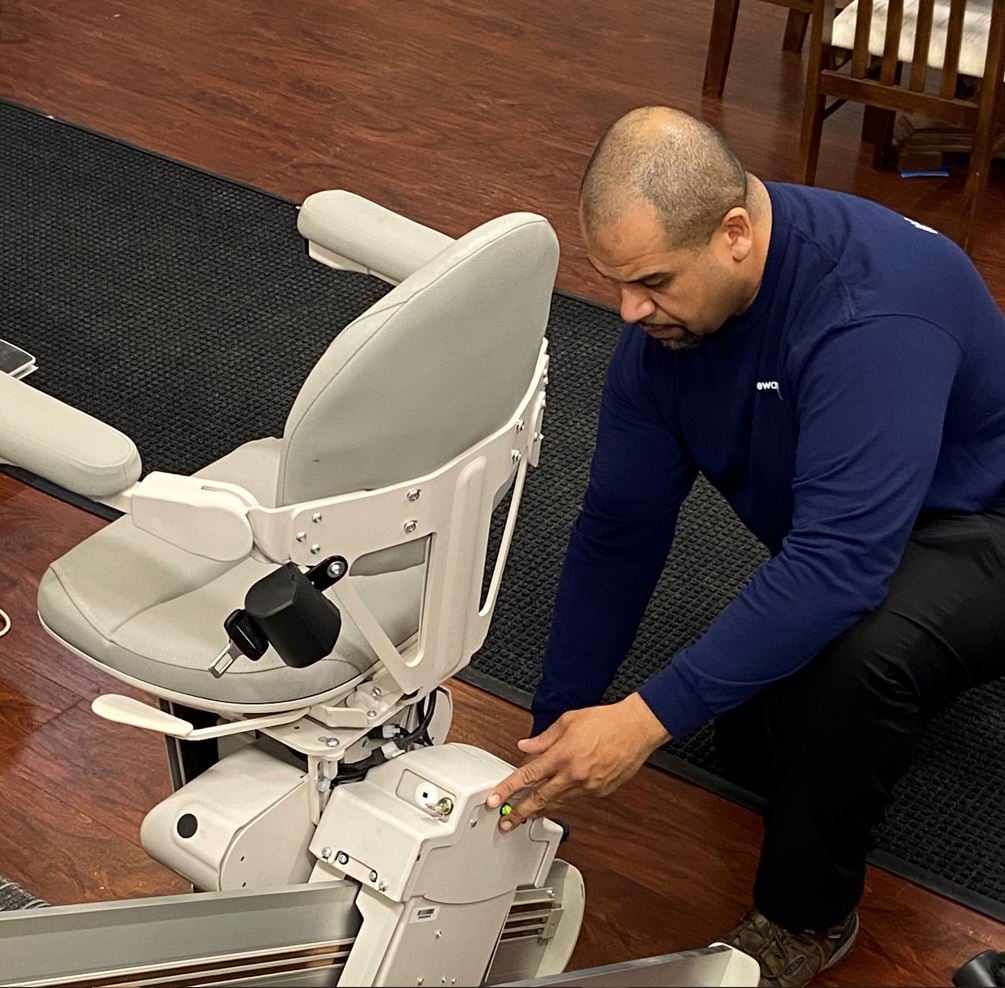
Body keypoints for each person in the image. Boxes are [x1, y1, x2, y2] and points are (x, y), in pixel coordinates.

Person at [486, 105, 1005, 987]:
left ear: (734, 233)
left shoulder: (869, 314)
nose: (626, 310)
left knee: (854, 666)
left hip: (977, 525)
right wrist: (547, 755)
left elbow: (839, 565)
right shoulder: (663, 334)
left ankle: (806, 919)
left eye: (650, 280)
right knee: (757, 744)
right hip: (848, 523)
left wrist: (642, 721)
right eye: (612, 281)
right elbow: (618, 533)